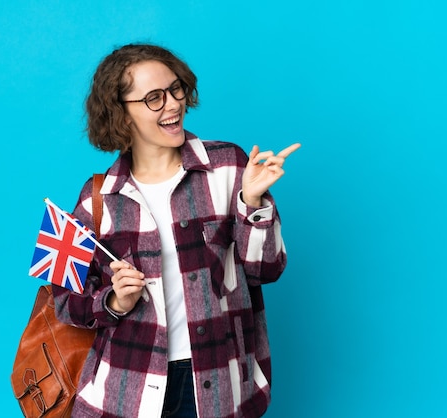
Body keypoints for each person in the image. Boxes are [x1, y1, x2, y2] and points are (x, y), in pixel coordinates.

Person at [52, 43, 300, 418]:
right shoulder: (96, 198)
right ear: (121, 112)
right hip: (126, 390)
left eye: (175, 89)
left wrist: (252, 202)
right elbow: (63, 300)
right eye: (153, 97)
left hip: (218, 383)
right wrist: (114, 301)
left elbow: (266, 270)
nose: (172, 104)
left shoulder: (230, 167)